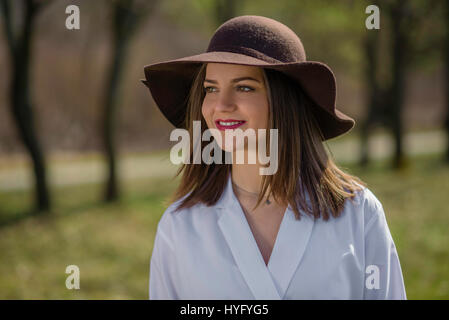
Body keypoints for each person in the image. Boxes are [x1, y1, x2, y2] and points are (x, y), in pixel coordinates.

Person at [141, 15, 406, 300]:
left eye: (244, 87)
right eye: (211, 89)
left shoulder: (358, 214)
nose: (221, 105)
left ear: (284, 101)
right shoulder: (180, 226)